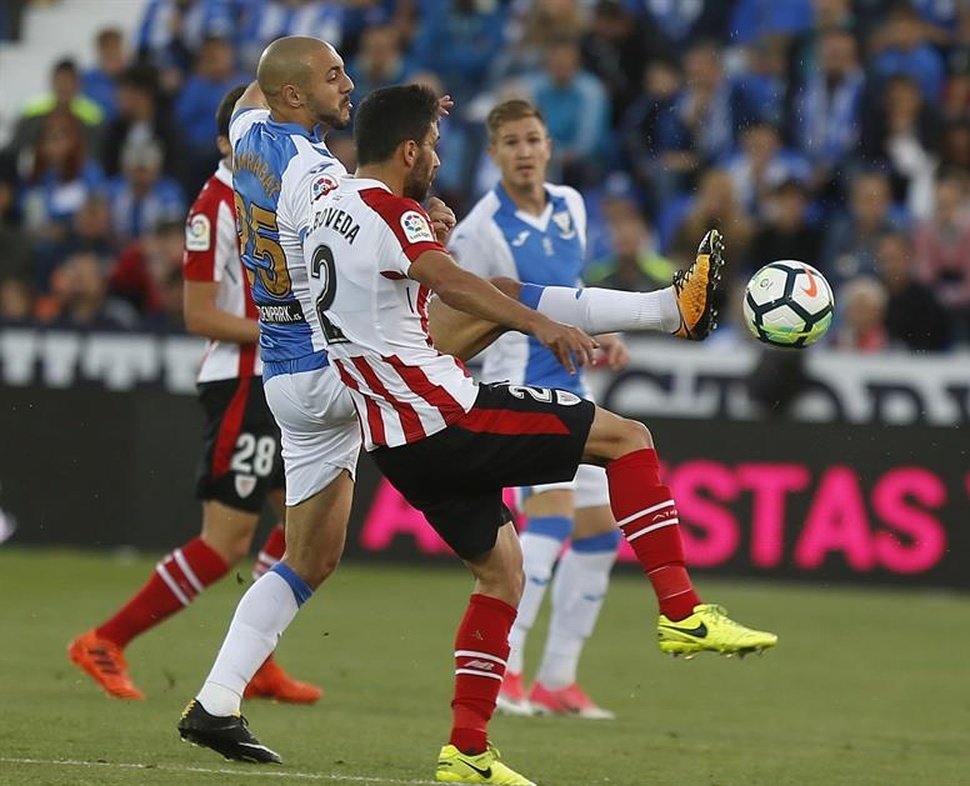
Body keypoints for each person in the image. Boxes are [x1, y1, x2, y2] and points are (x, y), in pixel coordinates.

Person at [176, 38, 771, 777]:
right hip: (344, 373)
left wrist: (412, 135)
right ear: (297, 97)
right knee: (498, 298)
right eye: (334, 77)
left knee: (312, 559)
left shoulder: (248, 135)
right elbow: (391, 239)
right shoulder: (319, 176)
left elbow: (261, 93)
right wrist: (414, 195)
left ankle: (218, 700)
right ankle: (667, 310)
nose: (349, 84)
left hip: (288, 378)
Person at [68, 86, 320, 705]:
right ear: (224, 143)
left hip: (280, 379)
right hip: (242, 382)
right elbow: (201, 315)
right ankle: (105, 639)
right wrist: (284, 327)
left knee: (306, 522)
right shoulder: (215, 206)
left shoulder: (277, 195)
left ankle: (256, 659)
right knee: (226, 542)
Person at [447, 98, 629, 721]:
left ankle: (558, 680)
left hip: (575, 385)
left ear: (549, 146)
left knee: (601, 531)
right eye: (512, 144)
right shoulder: (479, 230)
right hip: (519, 384)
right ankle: (508, 672)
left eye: (533, 140)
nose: (525, 152)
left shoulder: (573, 205)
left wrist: (598, 331)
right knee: (550, 520)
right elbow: (463, 313)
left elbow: (569, 292)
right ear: (493, 153)